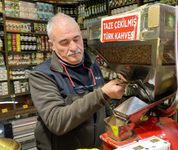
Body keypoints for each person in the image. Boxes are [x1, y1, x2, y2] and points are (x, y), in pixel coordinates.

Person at [29, 13, 126, 150]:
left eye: (77, 39)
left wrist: (119, 131)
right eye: (65, 42)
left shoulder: (92, 64)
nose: (74, 47)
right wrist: (103, 94)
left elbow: (104, 108)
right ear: (52, 45)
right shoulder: (42, 75)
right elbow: (57, 122)